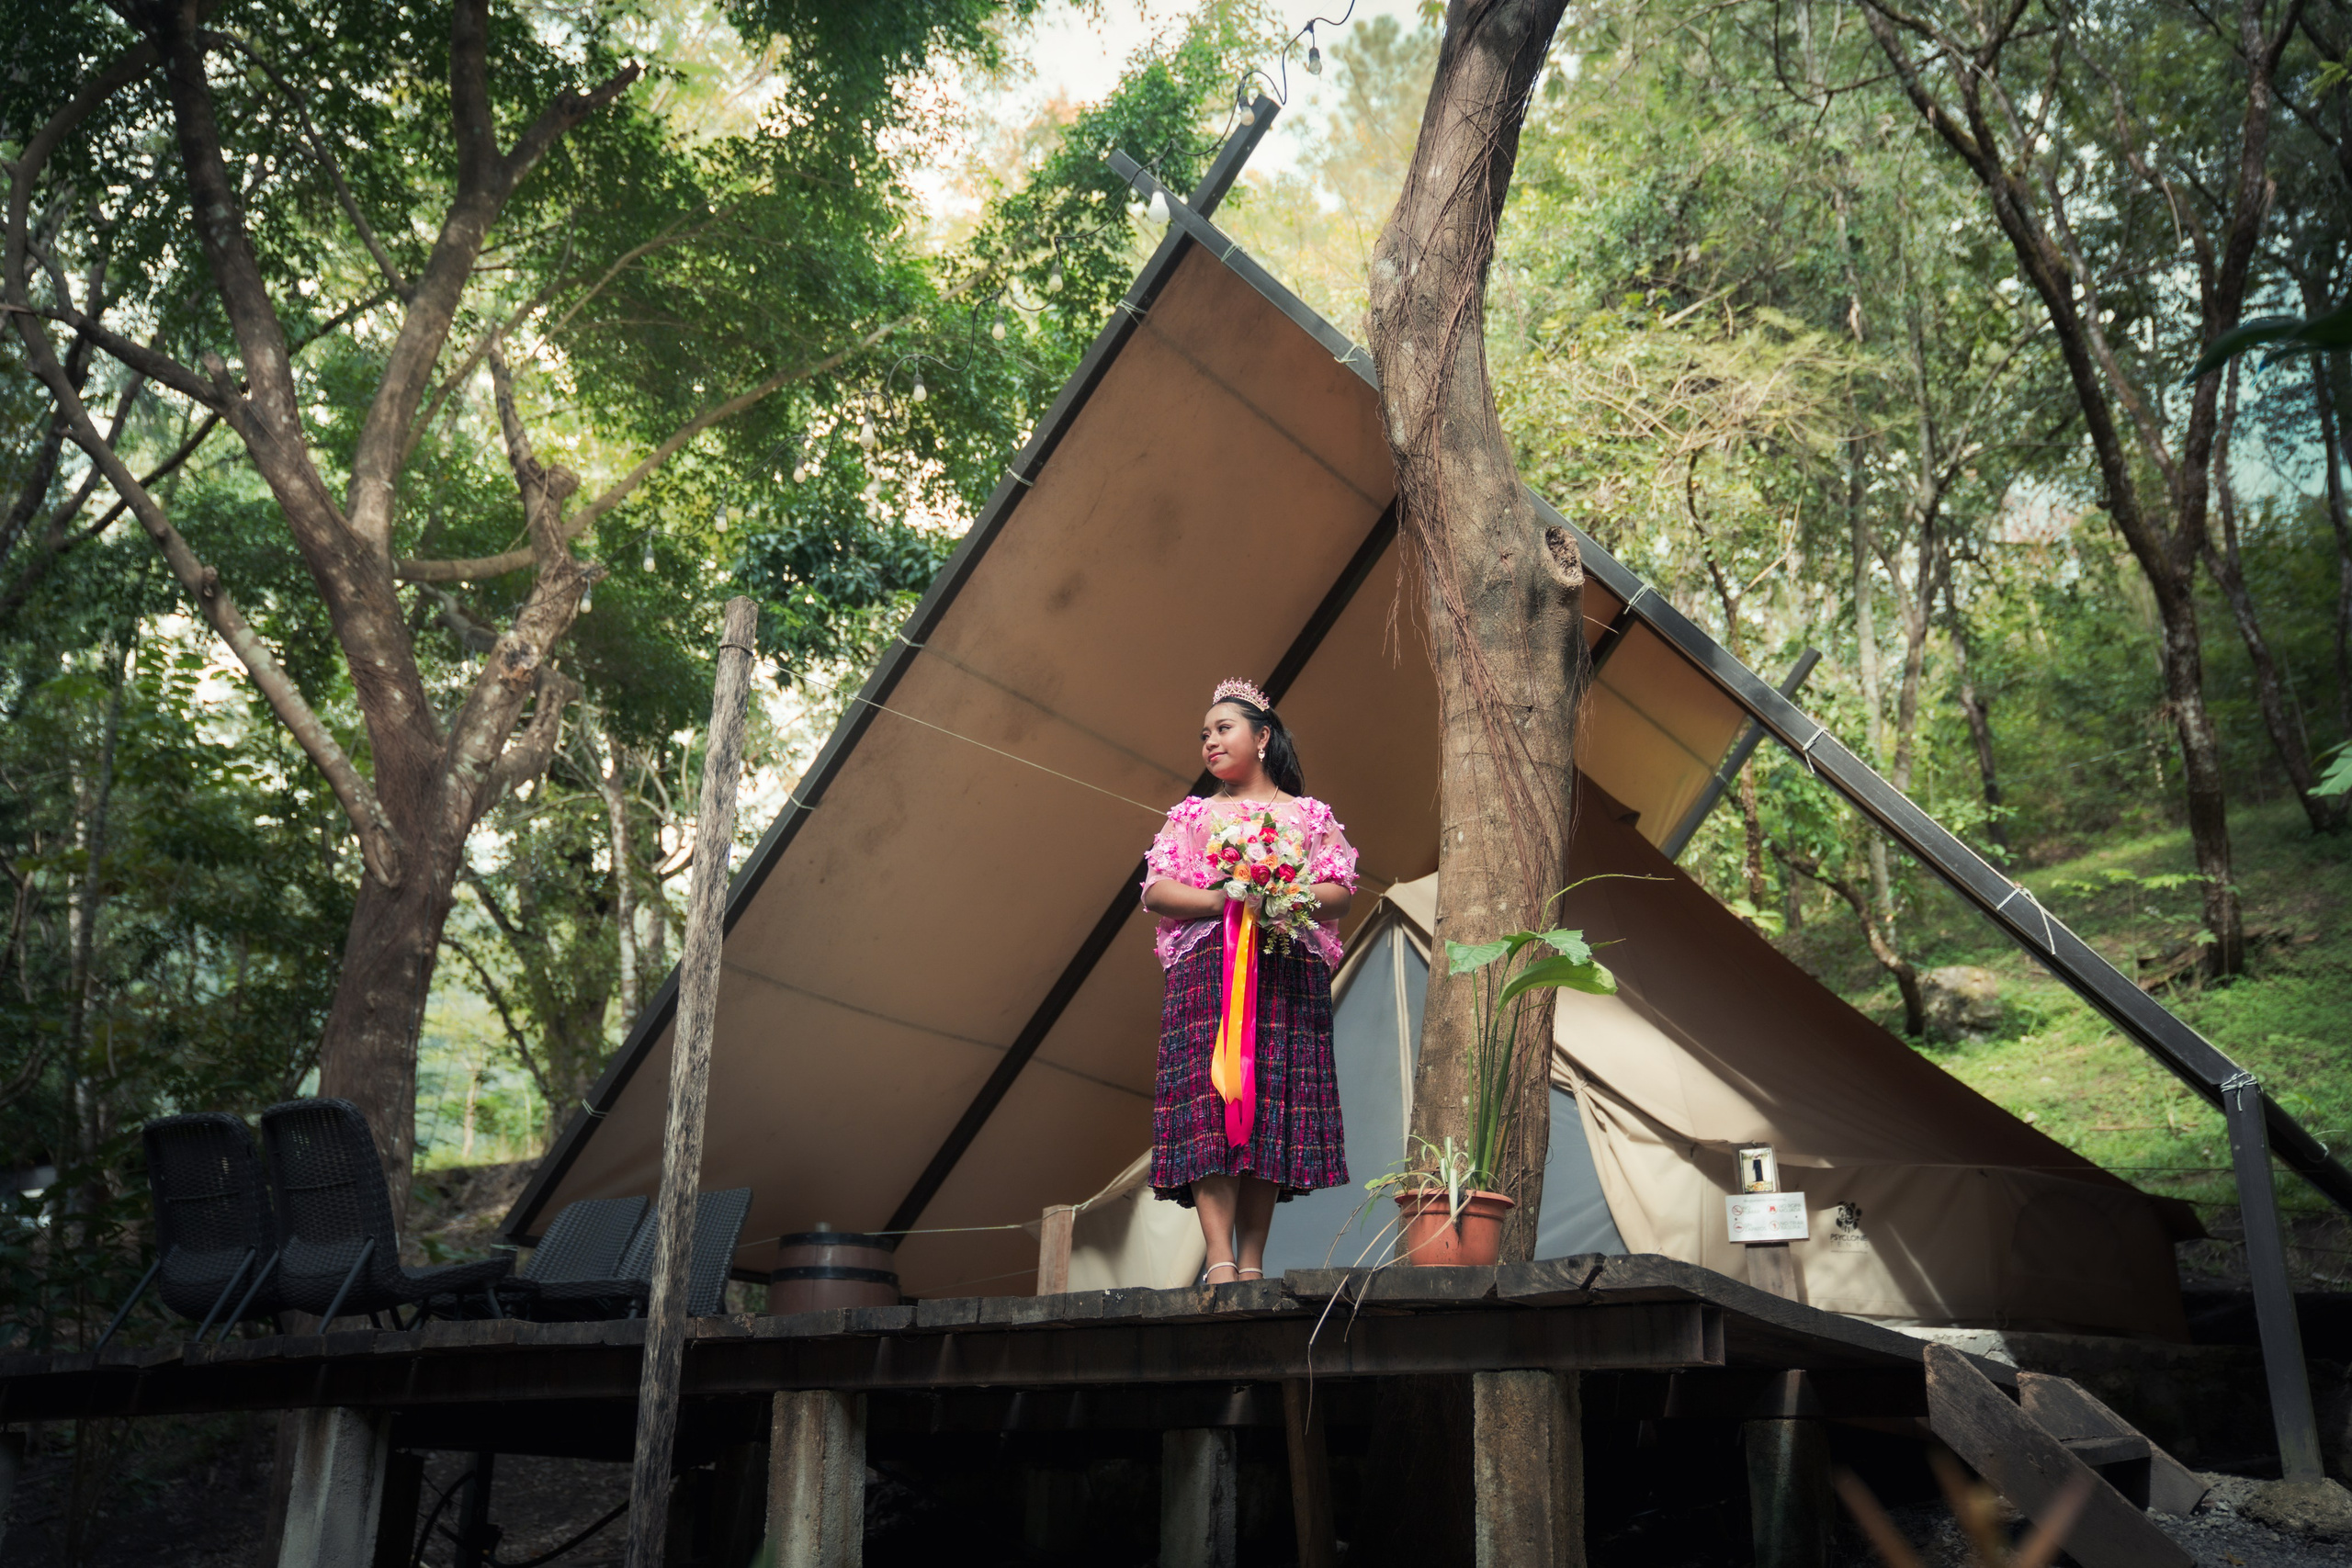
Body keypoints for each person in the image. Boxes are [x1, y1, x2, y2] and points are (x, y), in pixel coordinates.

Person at [1139, 678, 1357, 1291]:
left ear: (1262, 737)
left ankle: (1254, 1261)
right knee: (1212, 1103)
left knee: (1268, 1109)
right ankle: (1219, 1261)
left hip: (1286, 971)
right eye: (1204, 734)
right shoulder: (1192, 814)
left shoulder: (1310, 816)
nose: (1210, 741)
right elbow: (1155, 889)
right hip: (1209, 972)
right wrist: (1224, 898)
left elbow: (1339, 890)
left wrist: (1279, 893)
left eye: (1223, 728)